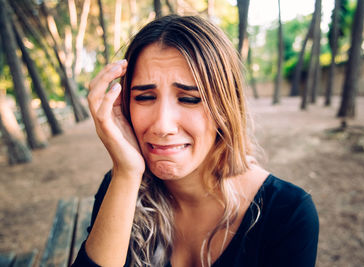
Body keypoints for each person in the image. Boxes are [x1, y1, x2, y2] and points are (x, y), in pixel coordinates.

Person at [72, 15, 319, 267]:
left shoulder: (287, 213)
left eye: (189, 98)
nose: (162, 125)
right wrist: (126, 174)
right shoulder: (121, 186)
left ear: (225, 107)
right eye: (145, 97)